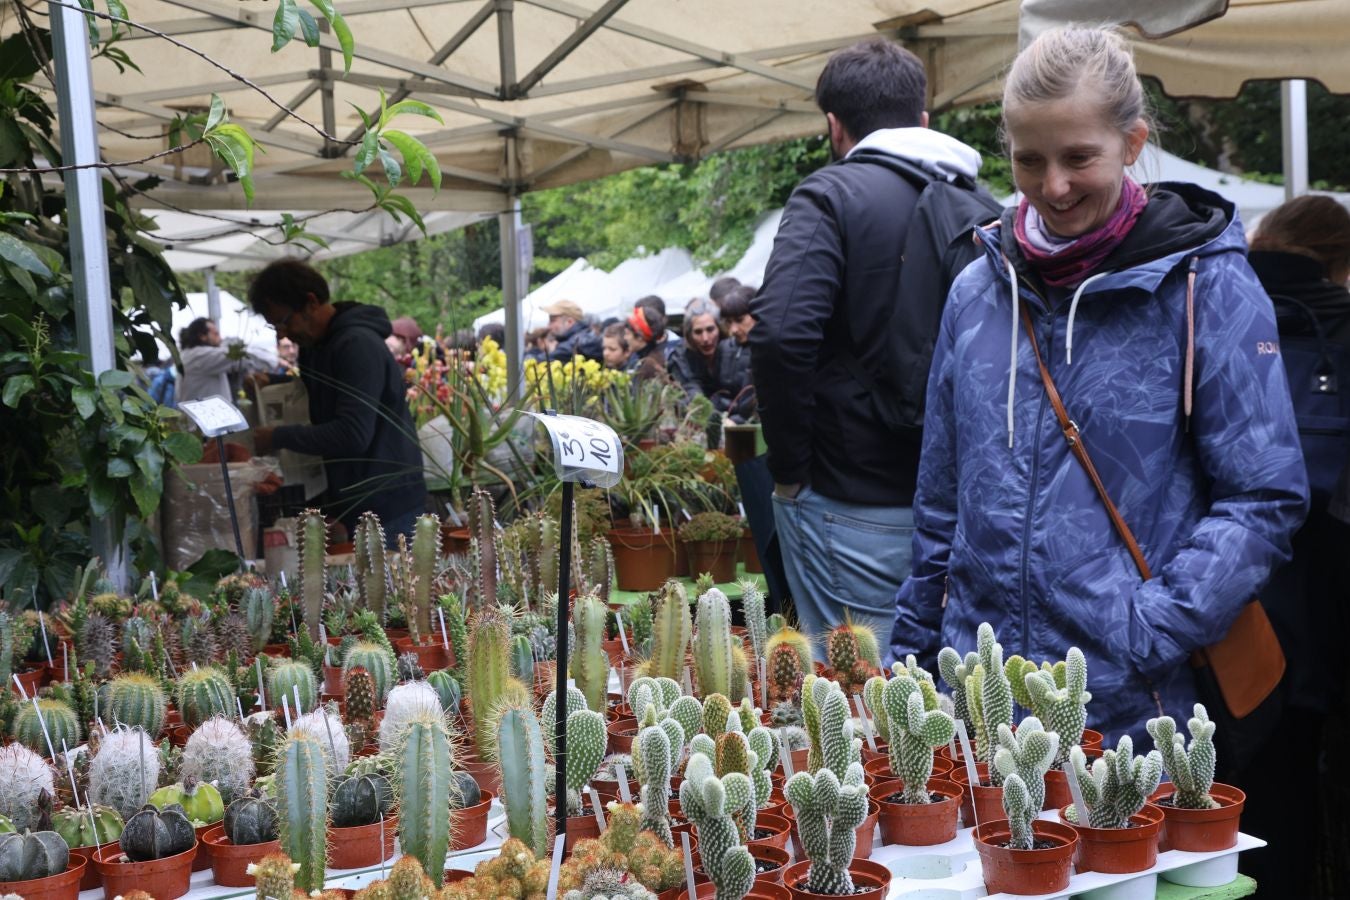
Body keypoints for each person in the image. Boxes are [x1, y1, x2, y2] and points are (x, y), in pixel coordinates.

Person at [888, 27, 1308, 745]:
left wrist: (1147, 628)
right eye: (1029, 160)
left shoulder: (1206, 284)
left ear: (1133, 142)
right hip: (979, 707)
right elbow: (940, 497)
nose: (1053, 186)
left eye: (1079, 157)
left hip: (1130, 714)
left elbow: (1264, 495)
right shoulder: (976, 291)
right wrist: (912, 652)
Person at [750, 38, 991, 644]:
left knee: (860, 705)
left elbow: (780, 334)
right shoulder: (987, 205)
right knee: (953, 698)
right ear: (924, 120)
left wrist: (789, 473)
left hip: (850, 497)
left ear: (835, 126)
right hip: (969, 508)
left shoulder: (830, 195)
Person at [1237, 195, 1350, 896]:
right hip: (1328, 587)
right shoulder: (1341, 323)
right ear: (1339, 263)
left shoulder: (1217, 312)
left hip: (1230, 602)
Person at [245, 260, 427, 546]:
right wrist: (272, 382)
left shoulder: (357, 345)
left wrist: (277, 437)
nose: (281, 334)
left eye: (283, 321)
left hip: (387, 508)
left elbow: (352, 433)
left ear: (311, 302)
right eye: (274, 325)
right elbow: (322, 396)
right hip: (353, 506)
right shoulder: (315, 347)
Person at [668, 297, 751, 413]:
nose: (705, 338)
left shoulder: (734, 350)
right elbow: (692, 392)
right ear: (689, 334)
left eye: (710, 329)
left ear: (720, 328)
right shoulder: (681, 358)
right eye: (698, 332)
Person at [178, 317, 261, 407]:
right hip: (207, 415)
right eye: (216, 334)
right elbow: (238, 355)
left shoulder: (190, 354)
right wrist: (274, 361)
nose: (220, 338)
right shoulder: (200, 355)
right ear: (202, 336)